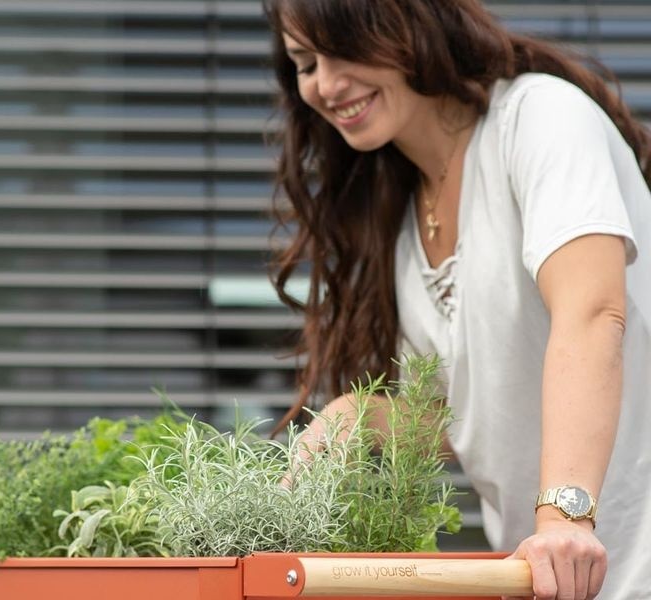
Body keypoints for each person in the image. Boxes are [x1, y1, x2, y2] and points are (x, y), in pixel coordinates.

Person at [263, 1, 651, 599]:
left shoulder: (540, 118)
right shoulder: (403, 223)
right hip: (555, 580)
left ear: (412, 24)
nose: (327, 84)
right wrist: (353, 417)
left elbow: (594, 313)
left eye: (343, 49)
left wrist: (563, 520)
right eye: (306, 63)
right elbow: (469, 417)